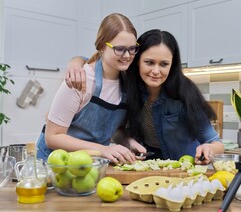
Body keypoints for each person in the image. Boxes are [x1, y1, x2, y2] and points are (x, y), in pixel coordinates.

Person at [66, 29, 224, 165]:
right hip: (148, 166)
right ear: (137, 61)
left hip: (185, 170)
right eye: (149, 62)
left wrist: (209, 149)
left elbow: (216, 142)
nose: (156, 71)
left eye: (164, 64)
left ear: (172, 65)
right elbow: (118, 130)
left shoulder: (185, 92)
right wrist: (76, 62)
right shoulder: (128, 87)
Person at [36, 13, 146, 164]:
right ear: (102, 46)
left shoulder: (127, 84)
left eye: (132, 48)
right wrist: (103, 150)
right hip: (55, 164)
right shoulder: (81, 78)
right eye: (119, 49)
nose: (127, 55)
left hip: (90, 165)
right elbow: (52, 137)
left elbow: (115, 130)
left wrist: (128, 143)